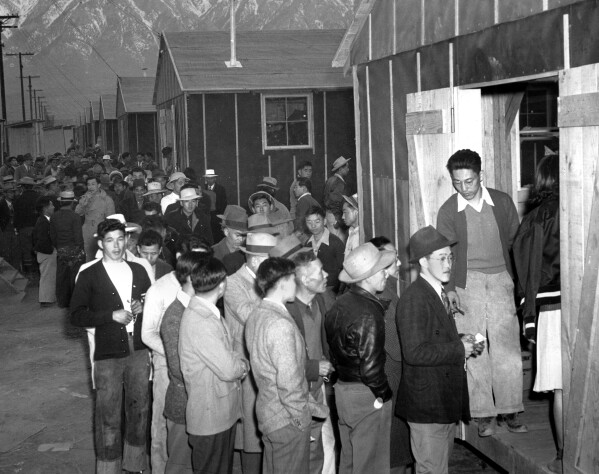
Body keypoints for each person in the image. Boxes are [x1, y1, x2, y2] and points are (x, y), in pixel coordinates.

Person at [436, 149, 526, 437]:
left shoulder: (501, 202)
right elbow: (444, 254)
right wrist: (450, 289)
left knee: (507, 346)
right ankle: (483, 413)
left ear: (480, 176)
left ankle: (510, 409)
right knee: (475, 347)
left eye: (469, 181)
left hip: (501, 280)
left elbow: (517, 243)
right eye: (457, 183)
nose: (464, 188)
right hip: (467, 284)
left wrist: (520, 283)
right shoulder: (449, 210)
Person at [70, 218, 152, 474]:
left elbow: (149, 300)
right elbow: (77, 316)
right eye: (109, 240)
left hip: (138, 349)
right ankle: (108, 468)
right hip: (107, 353)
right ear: (100, 243)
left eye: (120, 239)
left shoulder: (139, 269)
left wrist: (142, 306)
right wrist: (110, 315)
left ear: (126, 240)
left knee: (139, 410)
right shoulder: (89, 273)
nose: (116, 246)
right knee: (108, 414)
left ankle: (135, 464)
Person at [397, 226, 479, 474]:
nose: (448, 264)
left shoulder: (436, 292)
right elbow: (414, 352)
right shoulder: (414, 298)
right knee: (431, 469)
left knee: (438, 469)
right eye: (441, 258)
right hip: (427, 405)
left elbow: (433, 338)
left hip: (441, 400)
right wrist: (458, 349)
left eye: (450, 257)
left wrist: (462, 340)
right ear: (423, 261)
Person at [246, 257, 328, 474]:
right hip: (286, 420)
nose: (296, 284)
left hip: (269, 412)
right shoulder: (280, 324)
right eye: (293, 279)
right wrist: (301, 421)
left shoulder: (257, 315)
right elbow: (289, 383)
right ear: (282, 282)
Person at [325, 243, 396, 474]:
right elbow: (371, 369)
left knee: (349, 461)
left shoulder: (339, 304)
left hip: (343, 391)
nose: (386, 273)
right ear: (368, 277)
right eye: (382, 269)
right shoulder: (369, 313)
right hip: (366, 395)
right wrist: (384, 394)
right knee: (371, 466)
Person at [512, 154, 562, 473]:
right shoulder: (585, 206)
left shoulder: (535, 218)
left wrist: (528, 313)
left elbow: (525, 270)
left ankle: (564, 454)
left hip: (553, 309)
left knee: (561, 388)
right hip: (587, 309)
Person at [180, 256, 249, 473]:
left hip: (220, 413)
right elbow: (229, 369)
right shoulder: (200, 320)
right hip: (210, 417)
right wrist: (243, 364)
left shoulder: (208, 313)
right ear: (221, 285)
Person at [223, 232, 278, 473]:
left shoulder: (267, 282)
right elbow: (249, 315)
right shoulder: (233, 283)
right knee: (251, 432)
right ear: (256, 261)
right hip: (247, 365)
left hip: (268, 361)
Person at [284, 248, 336, 474]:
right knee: (309, 453)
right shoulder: (287, 310)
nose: (326, 275)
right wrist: (314, 367)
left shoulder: (321, 301)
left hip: (318, 388)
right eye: (320, 271)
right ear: (304, 280)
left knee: (326, 445)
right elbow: (284, 362)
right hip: (298, 394)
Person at [159, 251, 210, 473]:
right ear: (191, 278)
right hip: (184, 406)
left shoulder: (199, 307)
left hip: (200, 404)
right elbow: (179, 368)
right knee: (180, 466)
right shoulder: (175, 315)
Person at [369, 236, 413, 473]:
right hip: (391, 376)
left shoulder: (387, 287)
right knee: (394, 445)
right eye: (391, 255)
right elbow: (394, 347)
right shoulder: (381, 293)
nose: (397, 260)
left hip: (391, 374)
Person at [50, 190, 85, 308]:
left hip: (61, 250)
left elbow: (53, 236)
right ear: (72, 203)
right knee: (75, 277)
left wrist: (59, 248)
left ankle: (63, 302)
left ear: (61, 203)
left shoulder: (54, 216)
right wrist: (80, 250)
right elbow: (78, 237)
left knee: (62, 277)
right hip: (75, 250)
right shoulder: (75, 216)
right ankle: (75, 301)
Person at [75, 175, 116, 261]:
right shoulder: (85, 197)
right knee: (87, 256)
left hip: (101, 230)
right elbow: (77, 213)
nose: (90, 187)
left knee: (101, 256)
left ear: (99, 185)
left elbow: (111, 219)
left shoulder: (107, 199)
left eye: (93, 184)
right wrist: (83, 203)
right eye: (89, 184)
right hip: (87, 231)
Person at [305, 206, 344, 294]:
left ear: (325, 221)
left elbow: (342, 268)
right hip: (312, 288)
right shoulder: (307, 243)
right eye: (309, 222)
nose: (313, 225)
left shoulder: (335, 243)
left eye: (317, 221)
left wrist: (338, 291)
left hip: (330, 288)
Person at [33, 196, 57, 307]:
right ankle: (46, 300)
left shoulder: (43, 220)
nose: (53, 207)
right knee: (47, 276)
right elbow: (42, 239)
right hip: (46, 253)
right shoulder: (43, 222)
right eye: (51, 205)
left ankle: (48, 299)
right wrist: (51, 250)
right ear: (45, 208)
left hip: (45, 252)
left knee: (48, 276)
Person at [14, 177, 41, 273]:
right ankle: (38, 271)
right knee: (38, 249)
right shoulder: (38, 197)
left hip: (24, 228)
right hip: (37, 227)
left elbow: (16, 215)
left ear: (23, 187)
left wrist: (17, 227)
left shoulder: (19, 199)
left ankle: (29, 273)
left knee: (26, 250)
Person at [323, 156, 350, 240]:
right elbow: (335, 202)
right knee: (339, 241)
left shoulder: (330, 180)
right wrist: (338, 220)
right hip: (335, 216)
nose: (348, 169)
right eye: (347, 167)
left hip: (329, 215)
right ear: (340, 169)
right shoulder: (338, 182)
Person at [204, 169, 228, 241]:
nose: (210, 180)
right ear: (206, 179)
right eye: (208, 178)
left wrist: (222, 218)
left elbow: (224, 204)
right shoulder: (203, 189)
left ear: (215, 179)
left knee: (218, 237)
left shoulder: (221, 189)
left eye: (211, 178)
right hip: (207, 217)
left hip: (218, 217)